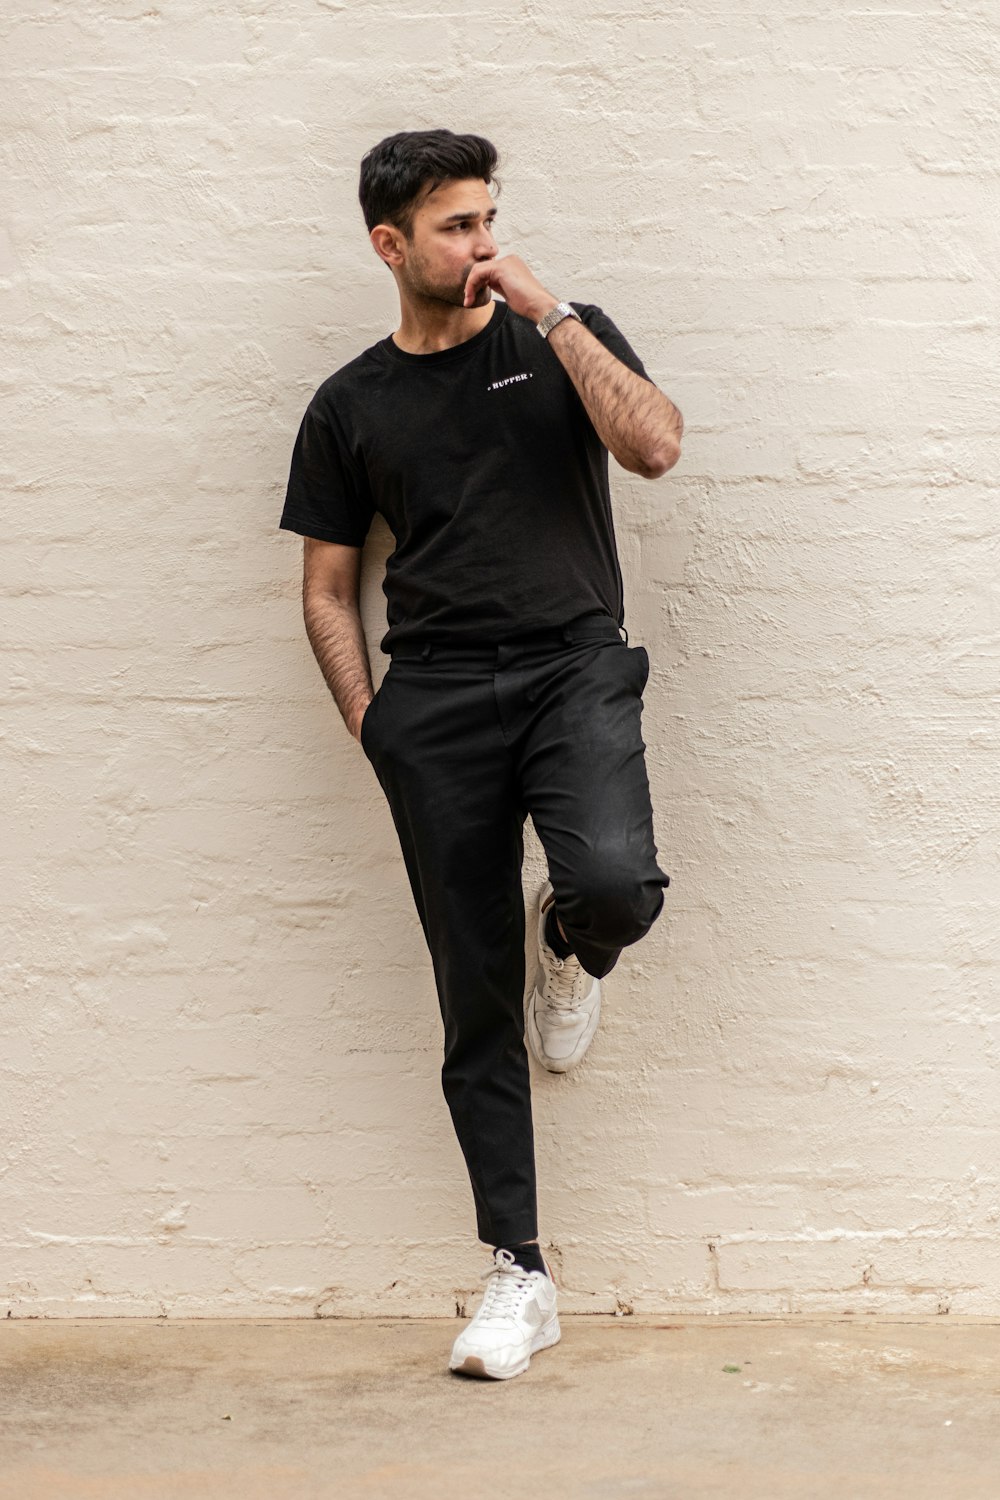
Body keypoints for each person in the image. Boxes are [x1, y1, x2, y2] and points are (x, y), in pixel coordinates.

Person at [279, 128, 682, 1381]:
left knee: (614, 879)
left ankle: (572, 941)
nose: (481, 244)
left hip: (573, 664)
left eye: (488, 218)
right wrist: (372, 722)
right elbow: (327, 587)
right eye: (454, 227)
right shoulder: (351, 404)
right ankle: (520, 1270)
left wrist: (550, 311)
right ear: (388, 244)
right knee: (469, 999)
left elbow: (656, 444)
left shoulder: (560, 335)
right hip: (435, 703)